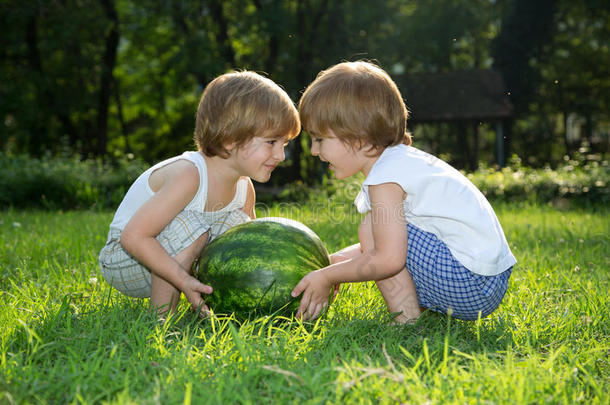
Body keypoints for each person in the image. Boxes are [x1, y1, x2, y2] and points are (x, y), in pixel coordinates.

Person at [291, 61, 516, 323]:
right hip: (487, 281)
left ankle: (406, 323)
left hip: (468, 282)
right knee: (377, 228)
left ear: (358, 137)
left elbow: (388, 258)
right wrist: (336, 263)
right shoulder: (401, 163)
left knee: (371, 225)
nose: (313, 151)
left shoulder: (385, 178)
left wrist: (328, 276)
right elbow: (394, 240)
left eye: (319, 139)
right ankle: (413, 315)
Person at [99, 71, 300, 316]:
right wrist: (183, 281)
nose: (280, 155)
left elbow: (249, 253)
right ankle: (161, 320)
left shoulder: (244, 187)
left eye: (285, 144)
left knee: (241, 227)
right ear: (229, 138)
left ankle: (212, 309)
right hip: (126, 258)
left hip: (172, 258)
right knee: (193, 226)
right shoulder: (189, 175)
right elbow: (134, 237)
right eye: (271, 142)